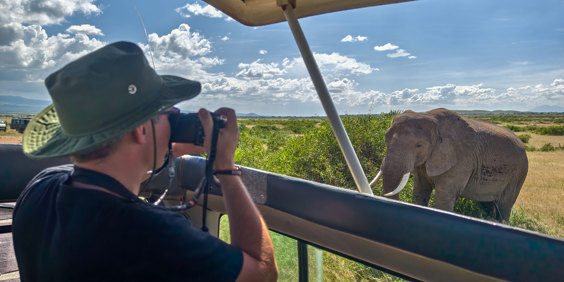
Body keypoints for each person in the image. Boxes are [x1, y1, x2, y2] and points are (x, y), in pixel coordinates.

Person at [12, 41, 277, 281]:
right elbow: (263, 272)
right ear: (140, 129)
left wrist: (159, 142)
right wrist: (225, 168)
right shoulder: (153, 234)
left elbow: (106, 170)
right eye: (167, 114)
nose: (173, 122)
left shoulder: (41, 188)